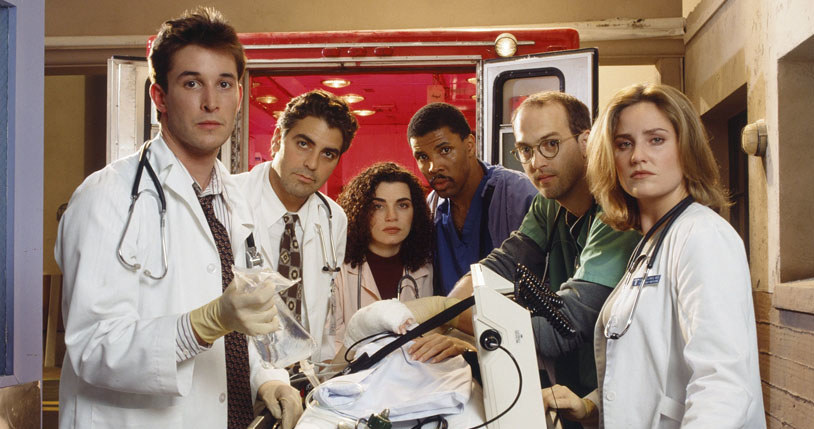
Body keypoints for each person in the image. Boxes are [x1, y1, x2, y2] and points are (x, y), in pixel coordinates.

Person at [55, 8, 301, 429]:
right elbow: (92, 347)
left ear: (239, 96)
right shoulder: (107, 198)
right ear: (160, 98)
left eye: (224, 84)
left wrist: (268, 379)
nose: (211, 101)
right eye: (192, 83)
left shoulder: (236, 201)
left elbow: (243, 330)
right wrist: (205, 323)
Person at [542, 83, 765, 428]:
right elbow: (651, 373)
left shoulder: (702, 237)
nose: (637, 156)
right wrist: (588, 407)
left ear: (685, 147)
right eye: (624, 144)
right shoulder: (648, 242)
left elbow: (722, 384)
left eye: (656, 139)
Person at [408, 92, 640, 409]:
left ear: (586, 141)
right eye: (525, 150)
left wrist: (448, 314)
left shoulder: (615, 212)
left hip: (615, 398)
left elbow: (562, 328)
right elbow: (500, 265)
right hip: (571, 391)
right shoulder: (549, 203)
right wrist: (448, 309)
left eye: (551, 144)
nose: (537, 163)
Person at [234, 89, 359, 362]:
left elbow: (324, 310)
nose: (312, 164)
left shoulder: (333, 218)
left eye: (328, 154)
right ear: (278, 137)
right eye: (303, 144)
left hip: (303, 376)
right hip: (239, 375)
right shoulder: (229, 201)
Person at [408, 102, 538, 295]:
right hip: (449, 322)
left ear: (469, 145)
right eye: (422, 157)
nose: (433, 167)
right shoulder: (431, 208)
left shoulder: (520, 194)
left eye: (445, 150)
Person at [332, 162, 434, 351]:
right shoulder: (337, 271)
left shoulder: (425, 270)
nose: (391, 216)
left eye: (403, 205)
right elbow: (332, 347)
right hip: (355, 377)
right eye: (378, 206)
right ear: (361, 211)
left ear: (416, 212)